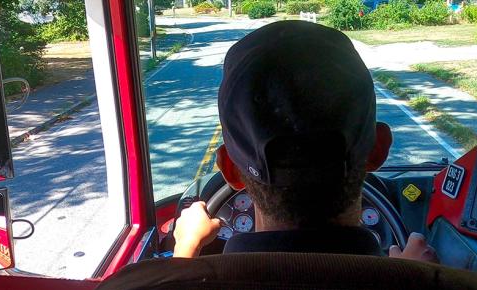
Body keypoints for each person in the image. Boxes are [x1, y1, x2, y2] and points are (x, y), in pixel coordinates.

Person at [171, 20, 438, 263]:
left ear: (230, 170)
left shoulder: (172, 283)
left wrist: (186, 248)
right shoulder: (431, 284)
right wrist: (417, 276)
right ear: (378, 149)